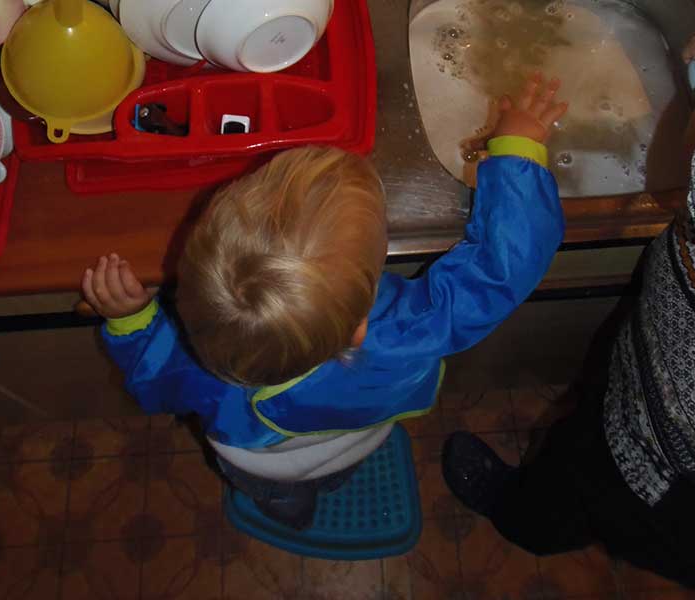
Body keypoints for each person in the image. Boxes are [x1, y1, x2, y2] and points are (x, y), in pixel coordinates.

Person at [80, 73, 568, 530]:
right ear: (359, 328)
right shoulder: (409, 333)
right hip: (357, 437)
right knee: (338, 470)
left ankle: (290, 511)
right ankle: (320, 488)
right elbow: (503, 267)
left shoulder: (199, 372)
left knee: (284, 496)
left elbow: (155, 381)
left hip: (262, 465)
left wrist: (133, 320)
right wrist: (516, 152)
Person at [442, 6, 695, 599]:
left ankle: (526, 519)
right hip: (673, 357)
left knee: (600, 483)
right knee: (594, 435)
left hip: (694, 448)